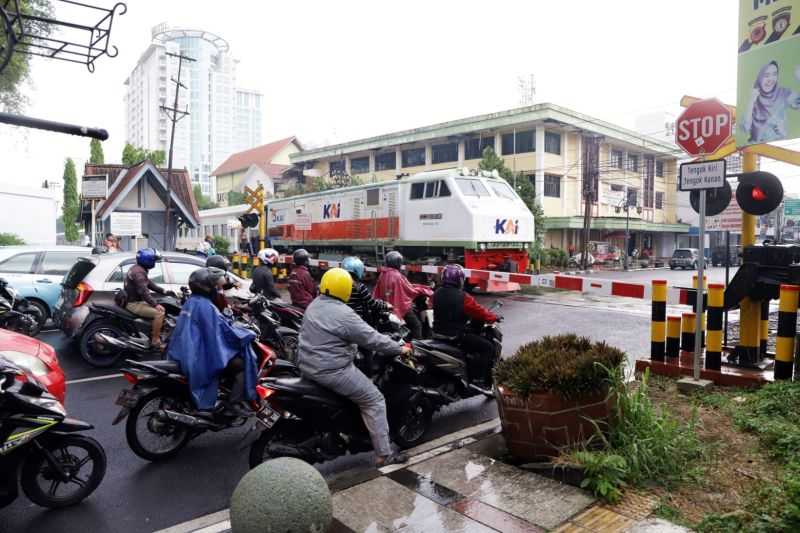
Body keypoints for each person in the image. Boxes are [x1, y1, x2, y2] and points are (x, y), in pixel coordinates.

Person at [298, 267, 410, 466]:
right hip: (332, 370)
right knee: (374, 400)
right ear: (345, 289)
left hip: (307, 365)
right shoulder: (344, 313)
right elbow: (372, 338)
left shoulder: (315, 304)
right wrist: (399, 349)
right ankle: (385, 455)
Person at [168, 267, 258, 417]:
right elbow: (224, 334)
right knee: (243, 364)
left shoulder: (191, 302)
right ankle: (234, 404)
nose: (219, 289)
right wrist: (246, 334)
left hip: (181, 351)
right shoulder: (207, 307)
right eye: (217, 286)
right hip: (198, 355)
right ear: (208, 287)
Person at [433, 264, 498, 387]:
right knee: (488, 347)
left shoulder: (436, 293)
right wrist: (493, 317)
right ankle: (479, 380)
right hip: (456, 336)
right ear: (460, 279)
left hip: (437, 334)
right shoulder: (463, 297)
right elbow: (479, 311)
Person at [742, 60, 800, 144]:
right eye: (766, 75)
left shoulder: (783, 93)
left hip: (781, 146)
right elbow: (745, 127)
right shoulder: (754, 97)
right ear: (759, 78)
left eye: (774, 74)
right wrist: (751, 101)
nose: (771, 79)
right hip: (756, 148)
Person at [372, 251, 425, 339]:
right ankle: (418, 348)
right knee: (417, 325)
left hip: (385, 308)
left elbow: (376, 291)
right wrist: (423, 290)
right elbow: (410, 290)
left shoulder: (382, 274)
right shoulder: (398, 276)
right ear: (398, 263)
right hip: (399, 307)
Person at [124, 248, 169, 350]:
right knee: (160, 312)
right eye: (154, 260)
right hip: (133, 304)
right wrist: (155, 305)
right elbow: (144, 292)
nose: (155, 262)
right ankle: (155, 340)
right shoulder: (139, 273)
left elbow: (149, 284)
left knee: (160, 306)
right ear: (148, 260)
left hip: (133, 301)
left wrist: (163, 291)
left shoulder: (137, 269)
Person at [341, 256, 390, 325]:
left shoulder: (340, 285)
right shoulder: (360, 287)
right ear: (358, 270)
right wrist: (385, 305)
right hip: (358, 320)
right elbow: (372, 303)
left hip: (342, 318)